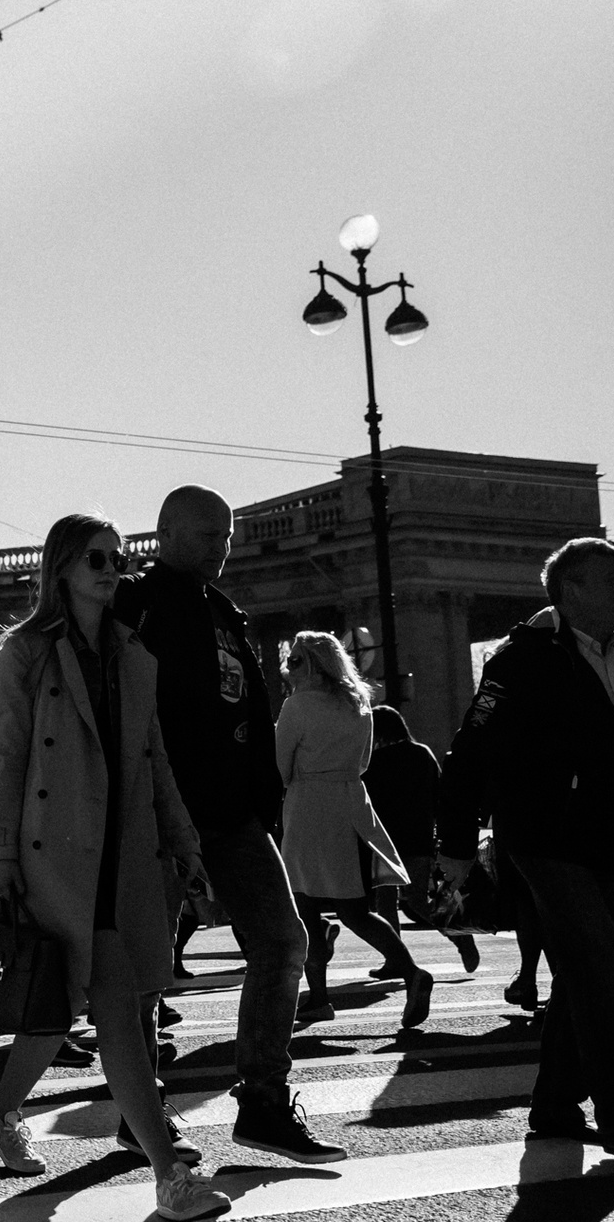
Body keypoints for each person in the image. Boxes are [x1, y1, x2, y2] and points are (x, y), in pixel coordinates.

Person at [0, 515, 228, 1221]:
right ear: (61, 567)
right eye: (96, 558)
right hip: (55, 849)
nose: (112, 569)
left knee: (59, 1002)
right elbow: (6, 755)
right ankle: (170, 1176)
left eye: (119, 557)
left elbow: (155, 756)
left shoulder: (132, 651)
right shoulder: (26, 650)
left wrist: (184, 840)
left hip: (126, 847)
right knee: (117, 1007)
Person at [437, 537, 614, 1159]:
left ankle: (555, 1107)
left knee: (587, 973)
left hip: (613, 838)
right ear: (570, 590)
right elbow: (472, 749)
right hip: (545, 835)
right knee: (597, 972)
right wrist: (456, 844)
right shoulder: (523, 659)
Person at [112, 485, 342, 1164]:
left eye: (228, 535)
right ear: (164, 535)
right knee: (147, 967)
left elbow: (246, 715)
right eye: (208, 534)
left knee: (283, 941)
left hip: (234, 814)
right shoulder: (132, 602)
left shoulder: (225, 612)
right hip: (160, 810)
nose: (222, 546)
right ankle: (139, 1109)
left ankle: (264, 1102)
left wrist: (263, 801)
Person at [275, 632, 434, 1031]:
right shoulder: (358, 705)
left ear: (312, 665)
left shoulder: (296, 706)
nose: (288, 667)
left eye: (295, 660)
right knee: (355, 910)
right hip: (350, 803)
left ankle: (319, 998)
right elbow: (363, 762)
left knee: (305, 904)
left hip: (308, 805)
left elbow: (280, 766)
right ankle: (411, 971)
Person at [360, 704, 481, 975]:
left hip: (386, 840)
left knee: (386, 900)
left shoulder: (375, 761)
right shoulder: (422, 753)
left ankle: (395, 959)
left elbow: (369, 801)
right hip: (419, 838)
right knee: (416, 899)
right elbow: (439, 795)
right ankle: (458, 935)